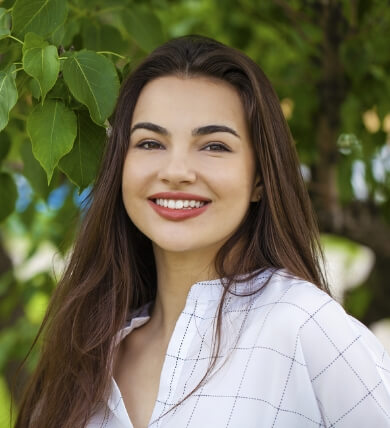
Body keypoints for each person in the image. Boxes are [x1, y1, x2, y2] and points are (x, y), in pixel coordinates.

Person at [15, 35, 390, 428]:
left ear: (260, 177)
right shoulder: (86, 348)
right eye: (150, 143)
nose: (176, 171)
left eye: (213, 146)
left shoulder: (303, 326)